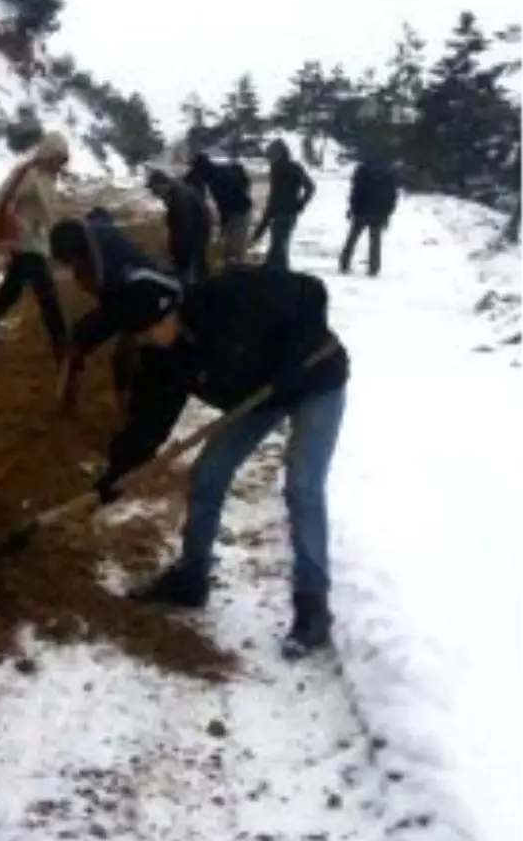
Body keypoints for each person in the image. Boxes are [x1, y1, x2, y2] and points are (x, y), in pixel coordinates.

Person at [63, 257, 349, 658]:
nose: (144, 340)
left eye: (147, 330)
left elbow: (311, 291)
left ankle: (312, 606)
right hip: (258, 397)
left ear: (168, 310)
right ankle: (192, 578)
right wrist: (117, 475)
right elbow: (148, 423)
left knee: (302, 485)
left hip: (314, 377)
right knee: (208, 475)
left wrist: (293, 357)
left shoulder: (231, 294)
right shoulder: (163, 358)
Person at [49, 210, 172, 420]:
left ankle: (126, 412)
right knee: (77, 338)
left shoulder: (111, 275)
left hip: (145, 300)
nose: (68, 269)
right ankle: (69, 403)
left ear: (76, 255)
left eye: (68, 262)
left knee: (123, 356)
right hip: (125, 292)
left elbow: (114, 310)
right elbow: (100, 215)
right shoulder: (89, 230)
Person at [0, 132, 70, 361]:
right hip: (24, 245)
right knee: (47, 294)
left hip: (36, 244)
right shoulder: (28, 174)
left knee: (9, 294)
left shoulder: (48, 178)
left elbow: (46, 212)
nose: (59, 165)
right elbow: (2, 200)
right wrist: (10, 233)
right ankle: (63, 346)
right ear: (48, 153)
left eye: (62, 160)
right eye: (57, 159)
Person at [251, 139, 315, 271]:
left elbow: (310, 187)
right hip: (280, 212)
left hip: (287, 212)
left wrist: (300, 204)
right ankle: (274, 270)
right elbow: (274, 196)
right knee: (278, 245)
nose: (270, 159)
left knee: (279, 245)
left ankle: (280, 273)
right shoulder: (277, 169)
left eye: (272, 155)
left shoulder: (293, 168)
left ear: (280, 153)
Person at [145, 168, 211, 284]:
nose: (153, 193)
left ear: (162, 185)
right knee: (197, 265)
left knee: (192, 270)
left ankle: (194, 291)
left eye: (154, 189)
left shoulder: (181, 199)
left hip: (194, 237)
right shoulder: (175, 193)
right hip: (197, 231)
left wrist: (178, 258)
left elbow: (184, 231)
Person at [185, 152, 252, 265]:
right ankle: (232, 266)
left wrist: (223, 225)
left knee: (234, 248)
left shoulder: (217, 180)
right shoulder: (217, 172)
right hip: (238, 209)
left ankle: (236, 272)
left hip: (240, 211)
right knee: (230, 245)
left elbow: (224, 204)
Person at [339, 156, 398, 276]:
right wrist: (388, 212)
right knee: (375, 241)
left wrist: (352, 207)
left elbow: (356, 190)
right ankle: (374, 268)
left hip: (361, 209)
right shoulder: (389, 173)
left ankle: (344, 263)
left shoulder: (362, 170)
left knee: (352, 238)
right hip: (379, 212)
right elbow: (392, 195)